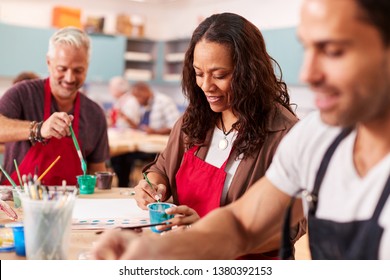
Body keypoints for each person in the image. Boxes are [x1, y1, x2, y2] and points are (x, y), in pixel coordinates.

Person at [92, 0, 390, 260]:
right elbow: (242, 225)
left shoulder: (288, 133)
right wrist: (157, 251)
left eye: (334, 51)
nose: (307, 74)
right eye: (307, 48)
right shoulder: (316, 138)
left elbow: (282, 233)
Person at [129, 12, 305, 260]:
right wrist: (150, 184)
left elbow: (288, 229)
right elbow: (162, 167)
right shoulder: (195, 118)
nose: (206, 86)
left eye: (220, 75)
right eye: (199, 73)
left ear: (249, 73)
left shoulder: (285, 134)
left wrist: (209, 234)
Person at [0, 27, 109, 186]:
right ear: (49, 62)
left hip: (73, 206)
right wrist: (38, 129)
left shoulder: (95, 114)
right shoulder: (23, 93)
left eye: (78, 70)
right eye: (62, 69)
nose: (70, 78)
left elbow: (96, 170)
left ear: (87, 66)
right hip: (19, 204)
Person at [111, 82, 180, 188]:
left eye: (138, 97)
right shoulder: (144, 105)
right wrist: (127, 119)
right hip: (145, 144)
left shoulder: (164, 102)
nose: (137, 101)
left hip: (158, 148)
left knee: (126, 158)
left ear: (145, 92)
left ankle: (137, 186)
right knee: (118, 157)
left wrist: (156, 132)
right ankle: (123, 185)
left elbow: (176, 127)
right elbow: (141, 127)